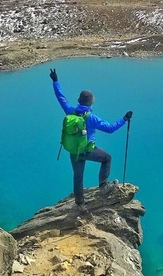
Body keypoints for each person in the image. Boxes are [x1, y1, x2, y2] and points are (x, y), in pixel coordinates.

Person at [49, 68, 133, 207]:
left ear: (78, 100)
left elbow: (61, 97)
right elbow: (110, 129)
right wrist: (124, 119)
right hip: (87, 150)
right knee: (107, 158)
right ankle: (103, 186)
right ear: (91, 102)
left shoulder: (71, 111)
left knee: (78, 177)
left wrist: (55, 81)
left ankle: (80, 204)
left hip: (74, 151)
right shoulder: (91, 118)